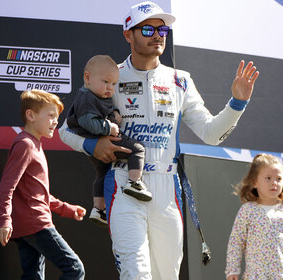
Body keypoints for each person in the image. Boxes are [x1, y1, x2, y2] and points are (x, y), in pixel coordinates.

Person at [59, 1, 259, 279]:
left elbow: (212, 134)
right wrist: (94, 145)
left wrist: (237, 102)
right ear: (128, 34)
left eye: (163, 29)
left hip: (167, 188)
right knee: (136, 272)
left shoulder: (180, 80)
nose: (158, 34)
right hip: (124, 184)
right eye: (148, 29)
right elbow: (65, 131)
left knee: (167, 275)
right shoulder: (110, 75)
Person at [0, 90, 86, 279]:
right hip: (36, 223)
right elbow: (7, 185)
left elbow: (36, 193)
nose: (56, 121)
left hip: (27, 225)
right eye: (51, 115)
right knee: (74, 268)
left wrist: (66, 209)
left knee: (33, 276)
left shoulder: (33, 144)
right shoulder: (26, 144)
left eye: (57, 117)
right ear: (31, 115)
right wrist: (4, 219)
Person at [66, 55, 152, 226]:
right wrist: (109, 127)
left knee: (102, 173)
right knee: (138, 149)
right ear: (87, 78)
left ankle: (98, 210)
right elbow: (87, 121)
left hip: (98, 143)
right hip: (101, 140)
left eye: (113, 84)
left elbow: (103, 113)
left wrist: (114, 116)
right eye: (105, 82)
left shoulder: (96, 95)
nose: (110, 88)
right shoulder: (86, 97)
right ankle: (134, 183)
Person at [225, 153, 283, 280]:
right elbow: (236, 242)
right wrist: (232, 270)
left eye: (279, 179)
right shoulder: (247, 210)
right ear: (255, 182)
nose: (274, 183)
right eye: (268, 178)